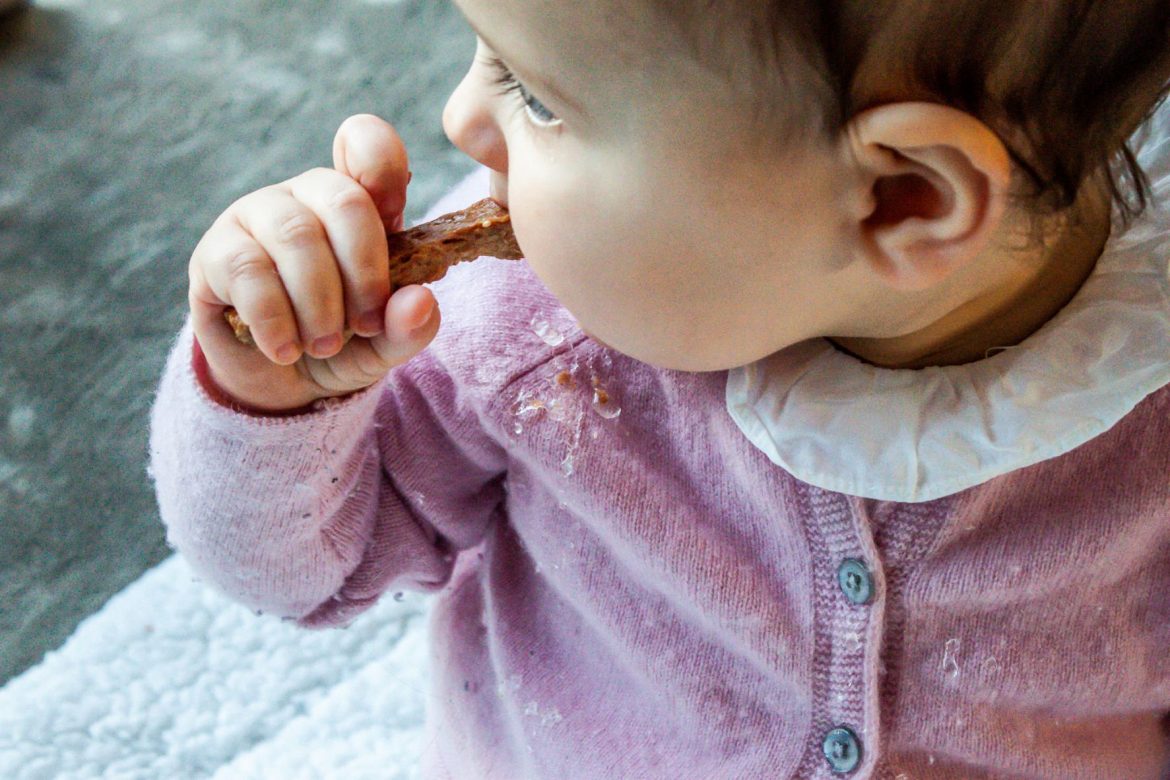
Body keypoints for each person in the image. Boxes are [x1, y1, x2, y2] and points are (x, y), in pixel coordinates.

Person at [150, 0, 1170, 776]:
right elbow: (303, 570)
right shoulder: (532, 326)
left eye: (541, 98)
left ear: (904, 198)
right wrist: (277, 391)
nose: (463, 117)